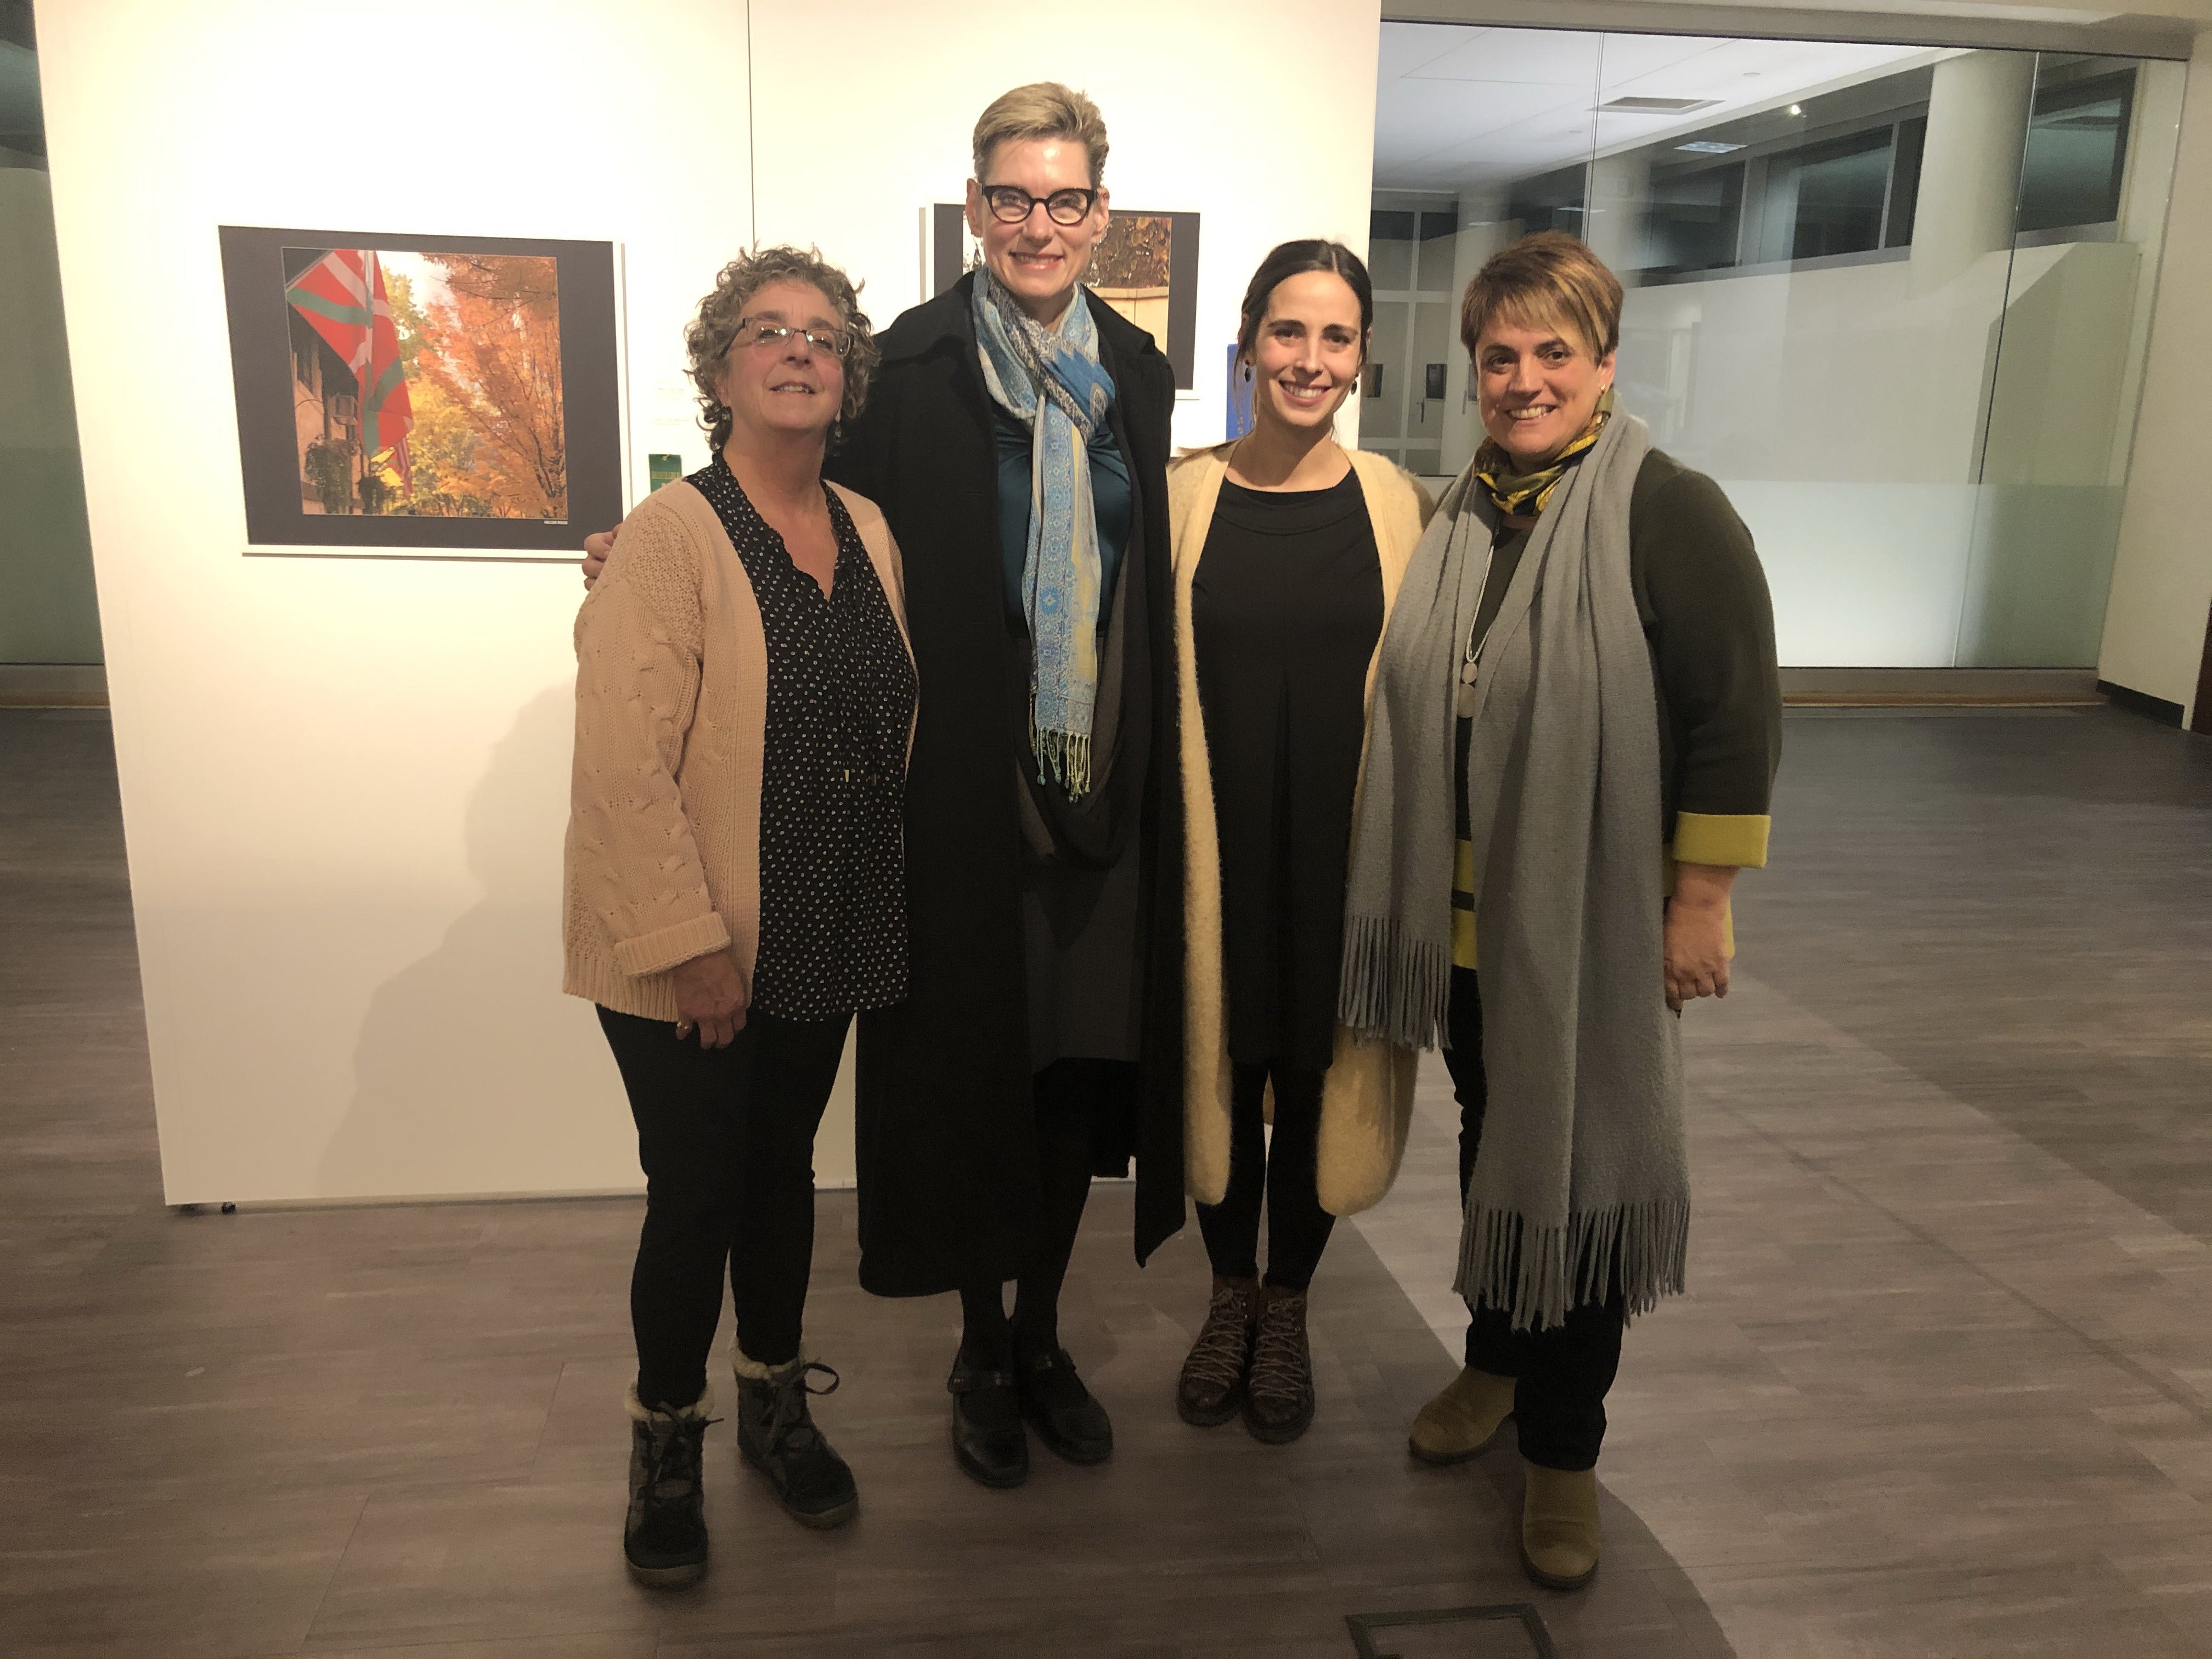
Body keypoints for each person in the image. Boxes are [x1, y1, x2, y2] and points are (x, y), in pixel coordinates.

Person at [583, 84, 1183, 1491]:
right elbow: (761, 501)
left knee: (1068, 1082)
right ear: (975, 207)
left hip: (1101, 793)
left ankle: (1044, 1336)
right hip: (954, 810)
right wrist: (641, 548)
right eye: (1014, 197)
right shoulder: (906, 374)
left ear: (1102, 214)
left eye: (1069, 198)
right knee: (975, 1075)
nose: (1041, 223)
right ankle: (978, 1350)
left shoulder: (1136, 383)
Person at [1339, 231, 1781, 1592]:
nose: (1524, 381)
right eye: (1500, 358)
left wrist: (1700, 901)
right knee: (1496, 1144)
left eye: (1552, 354)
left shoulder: (1669, 508)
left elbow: (1734, 716)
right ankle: (1494, 1359)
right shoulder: (1462, 511)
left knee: (1578, 1167)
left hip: (1586, 932)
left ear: (1602, 362)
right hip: (1466, 934)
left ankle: (1564, 1453)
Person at [565, 246, 915, 1585]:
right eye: (767, 332)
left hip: (825, 928)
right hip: (695, 951)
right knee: (696, 1195)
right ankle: (666, 1441)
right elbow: (623, 768)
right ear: (720, 369)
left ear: (848, 376)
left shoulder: (871, 530)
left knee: (782, 1186)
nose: (798, 352)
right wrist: (691, 947)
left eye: (823, 337)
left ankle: (775, 1401)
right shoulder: (668, 538)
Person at [1164, 241, 1427, 1444]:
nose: (1308, 359)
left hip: (1342, 846)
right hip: (1216, 851)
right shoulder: (1185, 495)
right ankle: (1227, 1297)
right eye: (1287, 332)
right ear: (1247, 341)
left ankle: (1289, 1306)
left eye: (1333, 337)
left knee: (1319, 1075)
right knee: (1219, 1064)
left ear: (1362, 355)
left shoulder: (1395, 505)